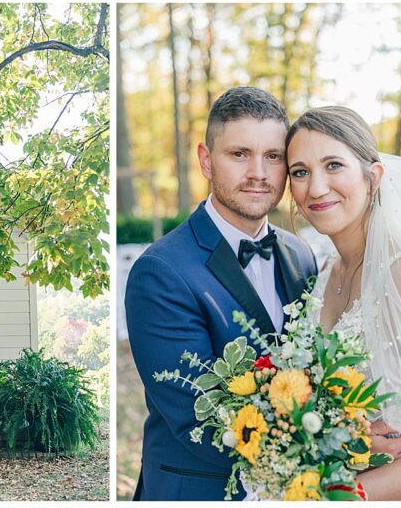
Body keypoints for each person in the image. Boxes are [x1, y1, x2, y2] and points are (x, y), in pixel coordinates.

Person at [125, 86, 317, 501]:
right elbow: (198, 417)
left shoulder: (301, 255)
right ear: (206, 161)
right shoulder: (160, 272)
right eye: (239, 154)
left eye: (273, 156)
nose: (259, 173)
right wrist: (323, 446)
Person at [285, 106, 401, 500]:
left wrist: (335, 496)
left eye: (334, 165)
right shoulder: (323, 273)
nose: (316, 188)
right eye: (300, 172)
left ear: (372, 176)